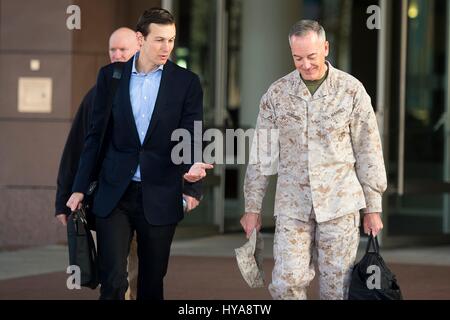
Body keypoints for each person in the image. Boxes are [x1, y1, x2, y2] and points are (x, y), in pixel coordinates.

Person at [65, 8, 212, 300]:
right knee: (114, 281)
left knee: (151, 283)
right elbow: (95, 136)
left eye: (170, 39)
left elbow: (191, 132)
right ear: (140, 39)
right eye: (159, 39)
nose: (166, 47)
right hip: (114, 193)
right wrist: (79, 188)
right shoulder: (111, 76)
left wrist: (191, 170)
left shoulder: (187, 82)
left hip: (160, 193)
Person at [241, 20, 387, 300]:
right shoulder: (277, 94)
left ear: (326, 48)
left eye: (311, 56)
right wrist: (252, 207)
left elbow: (368, 150)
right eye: (298, 58)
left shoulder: (351, 91)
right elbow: (262, 156)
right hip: (292, 206)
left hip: (340, 205)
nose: (305, 64)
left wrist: (373, 206)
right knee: (286, 283)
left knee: (337, 288)